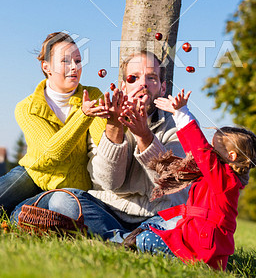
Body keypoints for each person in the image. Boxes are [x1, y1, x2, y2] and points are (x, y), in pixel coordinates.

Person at [11, 50, 190, 239]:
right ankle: (132, 240)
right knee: (63, 200)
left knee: (181, 224)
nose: (143, 84)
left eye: (151, 78)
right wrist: (114, 127)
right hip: (107, 211)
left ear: (162, 88)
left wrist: (144, 136)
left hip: (156, 216)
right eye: (134, 78)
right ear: (123, 86)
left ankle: (118, 239)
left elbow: (172, 182)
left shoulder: (178, 124)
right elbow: (108, 182)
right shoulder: (105, 119)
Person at [122, 90, 256, 272]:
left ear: (231, 156)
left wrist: (182, 113)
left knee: (144, 239)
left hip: (200, 250)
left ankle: (121, 242)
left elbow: (201, 151)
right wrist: (179, 115)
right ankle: (127, 241)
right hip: (194, 238)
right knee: (149, 226)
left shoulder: (225, 179)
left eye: (215, 148)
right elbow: (195, 152)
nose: (210, 150)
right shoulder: (219, 175)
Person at [0, 32, 106, 214]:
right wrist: (84, 115)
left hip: (70, 185)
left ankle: (16, 212)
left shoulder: (92, 96)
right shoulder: (26, 107)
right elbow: (52, 152)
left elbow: (104, 142)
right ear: (46, 67)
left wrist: (115, 118)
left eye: (78, 60)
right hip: (32, 175)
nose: (74, 67)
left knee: (21, 214)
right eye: (66, 61)